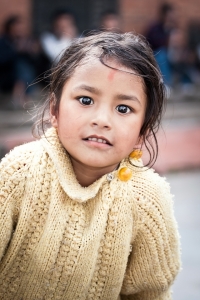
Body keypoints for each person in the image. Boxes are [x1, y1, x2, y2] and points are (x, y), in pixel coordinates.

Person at [0, 31, 181, 299]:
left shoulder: (148, 198)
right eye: (86, 100)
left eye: (123, 109)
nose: (101, 119)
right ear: (54, 110)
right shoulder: (19, 170)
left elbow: (151, 292)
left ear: (143, 130)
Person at [145, 3, 178, 86]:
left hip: (172, 54)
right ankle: (166, 84)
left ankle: (186, 84)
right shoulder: (155, 28)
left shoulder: (174, 27)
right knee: (162, 54)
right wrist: (166, 32)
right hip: (155, 55)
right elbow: (156, 43)